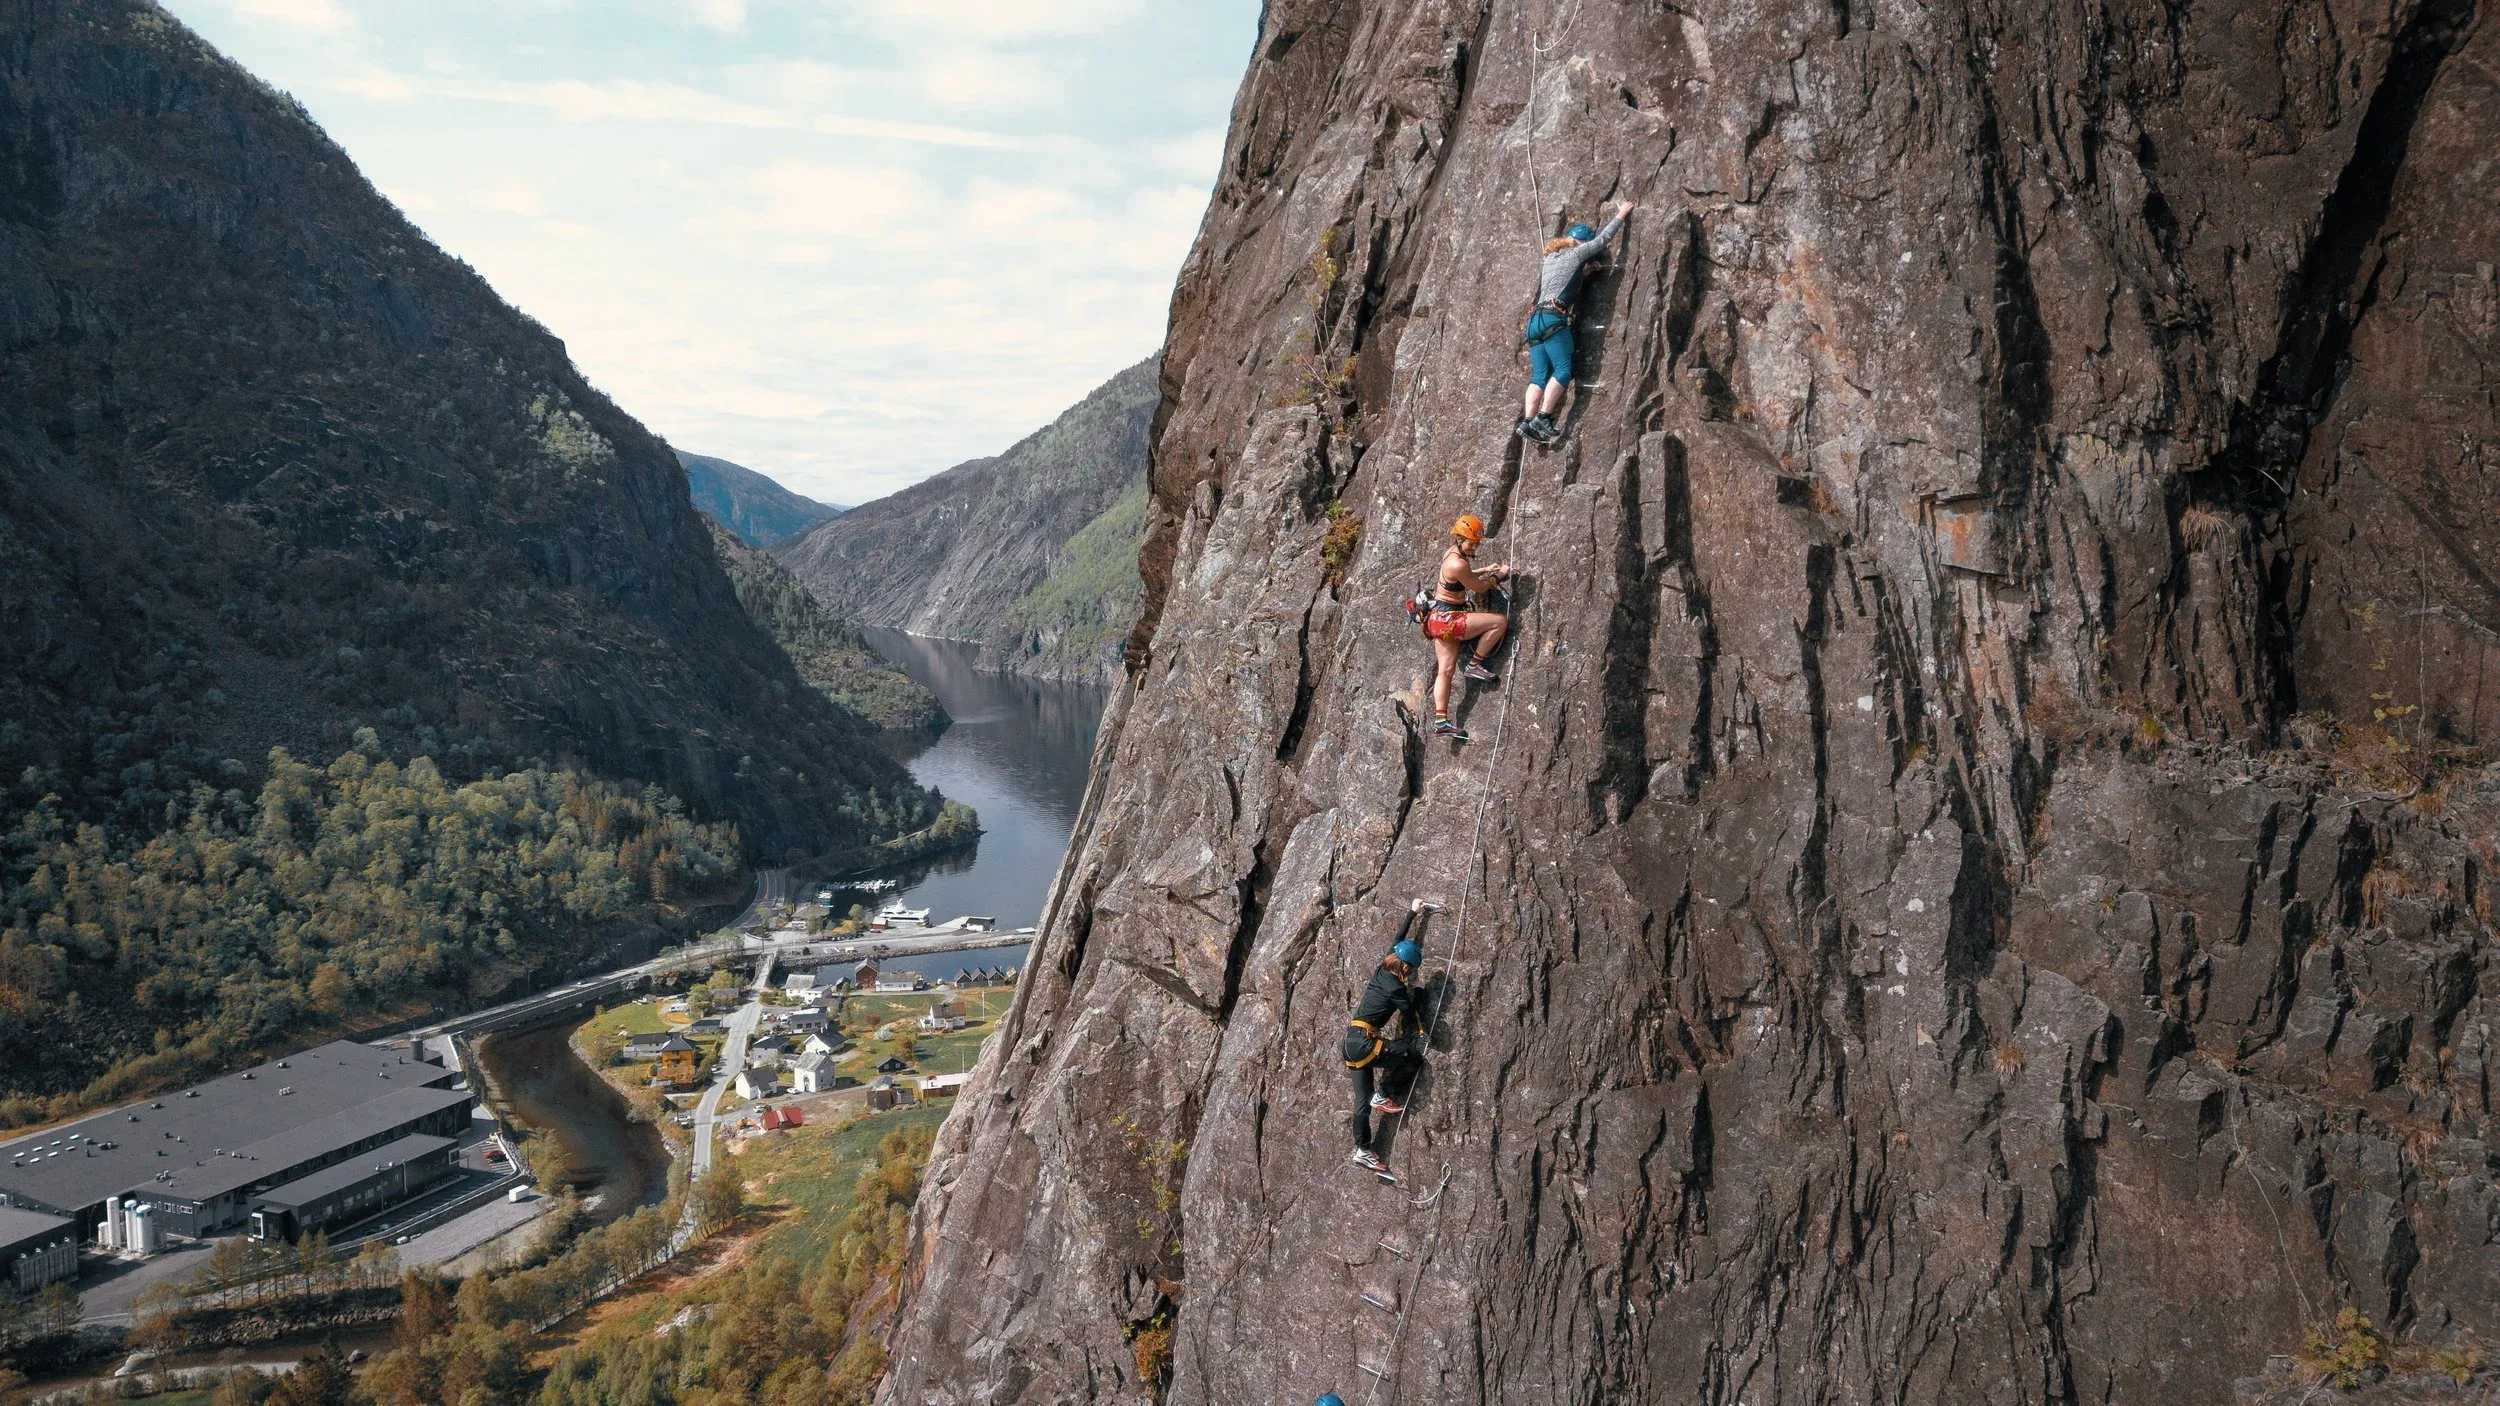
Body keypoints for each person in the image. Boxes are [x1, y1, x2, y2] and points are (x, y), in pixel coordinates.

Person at [1519, 201, 1634, 443]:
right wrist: (1621, 214)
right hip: (1552, 319)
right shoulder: (1577, 252)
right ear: (1581, 243)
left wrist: (1584, 273)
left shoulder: (1551, 258)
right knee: (1562, 369)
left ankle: (1527, 422)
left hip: (1534, 322)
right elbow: (1603, 240)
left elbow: (1562, 280)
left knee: (1539, 375)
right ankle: (1544, 417)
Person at [1344, 901, 1431, 1173]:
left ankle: (1363, 1150)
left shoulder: (1382, 969)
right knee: (1412, 1057)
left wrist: (1413, 912)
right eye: (1411, 970)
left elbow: (1398, 939)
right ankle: (1384, 1094)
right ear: (1404, 968)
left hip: (1350, 1043)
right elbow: (1409, 1008)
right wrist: (1419, 994)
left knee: (1362, 1102)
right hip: (1365, 1043)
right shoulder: (1395, 987)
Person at [1421, 514, 1512, 742]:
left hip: (1437, 619)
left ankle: (1441, 722)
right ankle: (1474, 664)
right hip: (1450, 620)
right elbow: (1478, 587)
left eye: (1476, 544)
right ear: (1460, 539)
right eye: (1471, 543)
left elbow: (1465, 576)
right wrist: (1498, 576)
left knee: (1446, 670)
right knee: (1499, 622)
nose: (1474, 547)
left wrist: (1484, 569)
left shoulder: (1451, 554)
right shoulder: (1458, 563)